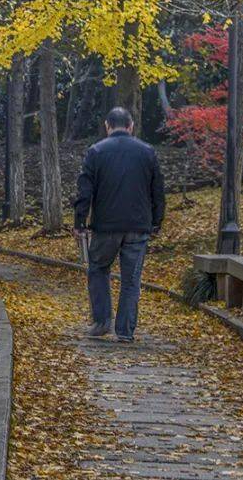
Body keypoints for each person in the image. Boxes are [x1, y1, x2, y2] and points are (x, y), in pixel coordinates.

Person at [73, 107, 165, 341]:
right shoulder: (147, 152)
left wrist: (80, 221)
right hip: (138, 226)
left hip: (105, 226)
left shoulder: (96, 151)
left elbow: (85, 189)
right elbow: (158, 191)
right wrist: (156, 221)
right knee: (131, 280)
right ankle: (125, 331)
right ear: (131, 125)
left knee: (98, 269)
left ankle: (102, 321)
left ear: (107, 125)